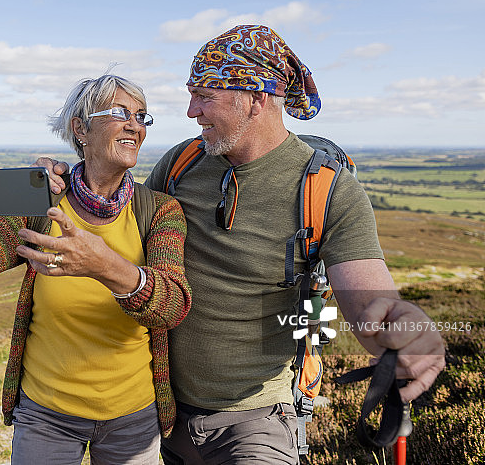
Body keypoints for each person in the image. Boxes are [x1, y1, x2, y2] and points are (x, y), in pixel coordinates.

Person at [38, 25, 446, 464]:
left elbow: (367, 297)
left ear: (255, 98)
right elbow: (120, 216)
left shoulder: (328, 188)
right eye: (191, 94)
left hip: (259, 419)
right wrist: (67, 178)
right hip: (163, 410)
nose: (191, 110)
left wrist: (399, 329)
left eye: (205, 95)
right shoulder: (183, 162)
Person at [0, 74, 192, 465]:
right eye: (120, 113)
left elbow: (173, 305)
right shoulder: (43, 204)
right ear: (80, 128)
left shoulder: (160, 211)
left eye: (142, 116)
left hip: (133, 415)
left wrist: (105, 266)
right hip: (46, 415)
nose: (134, 125)